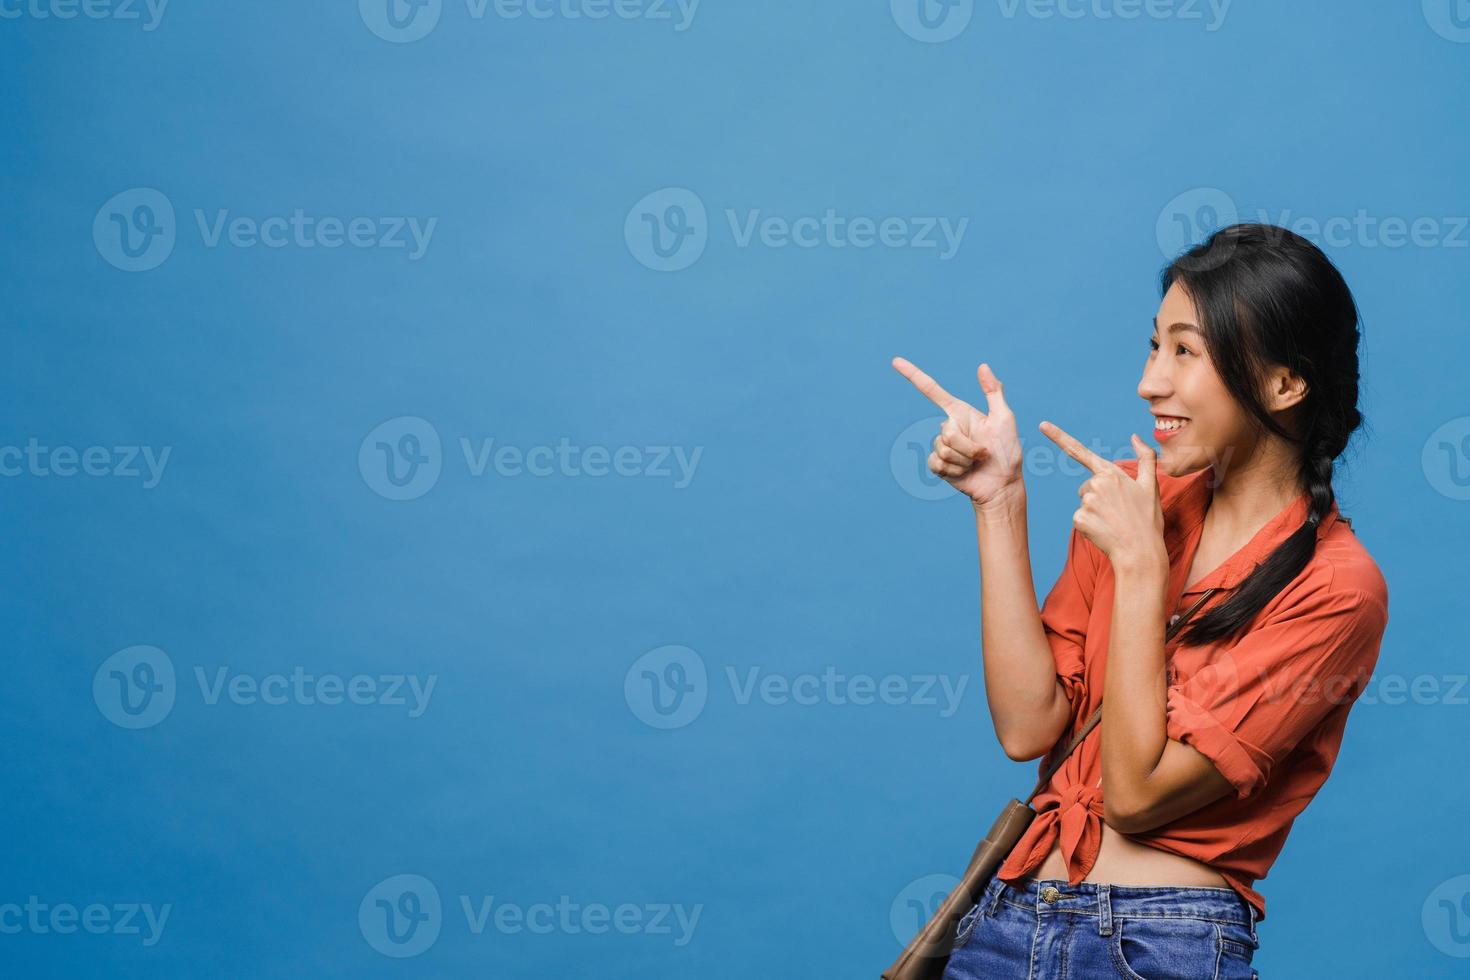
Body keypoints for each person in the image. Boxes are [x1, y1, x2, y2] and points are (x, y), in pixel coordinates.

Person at [892, 224, 1389, 979]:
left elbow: (1135, 793)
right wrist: (998, 502)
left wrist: (1141, 566)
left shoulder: (1336, 589)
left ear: (1286, 384)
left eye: (1185, 352)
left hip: (1160, 943)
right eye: (1154, 345)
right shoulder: (1140, 503)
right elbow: (1029, 728)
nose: (1149, 381)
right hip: (1008, 918)